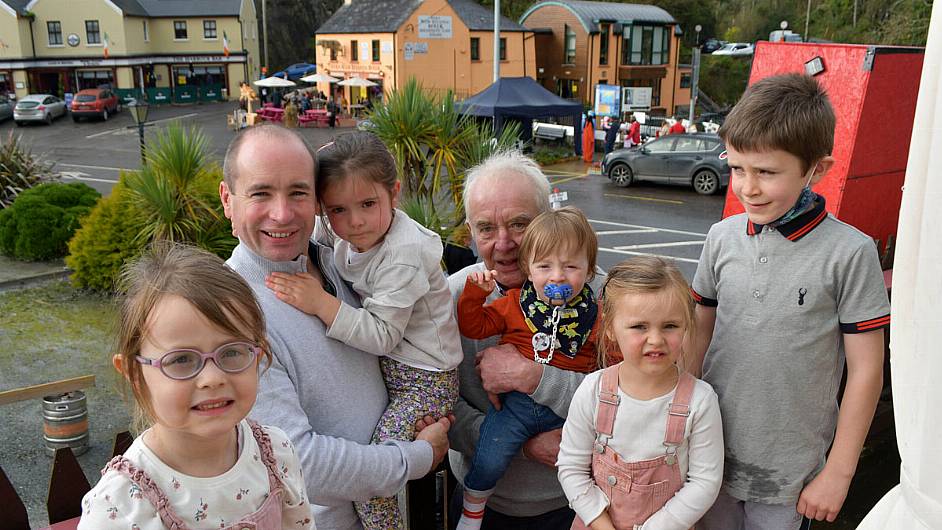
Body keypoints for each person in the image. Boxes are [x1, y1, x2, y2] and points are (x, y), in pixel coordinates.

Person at [220, 124, 453, 530]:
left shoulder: (334, 254)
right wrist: (418, 456)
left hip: (400, 499)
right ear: (228, 200)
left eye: (298, 192)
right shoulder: (232, 316)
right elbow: (298, 462)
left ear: (316, 202)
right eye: (260, 193)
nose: (282, 213)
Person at [690, 73, 890, 529]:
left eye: (766, 172)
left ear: (816, 170)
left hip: (790, 477)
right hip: (707, 458)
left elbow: (866, 371)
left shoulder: (850, 252)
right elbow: (698, 337)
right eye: (737, 167)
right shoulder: (721, 238)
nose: (747, 187)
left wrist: (838, 473)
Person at [77, 242, 313, 530]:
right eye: (181, 360)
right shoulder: (122, 506)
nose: (212, 378)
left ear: (257, 357)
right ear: (135, 374)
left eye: (231, 352)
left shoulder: (276, 454)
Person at [448, 151, 607, 530]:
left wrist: (534, 378)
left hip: (575, 504)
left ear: (547, 220)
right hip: (482, 506)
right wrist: (519, 444)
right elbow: (437, 404)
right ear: (470, 232)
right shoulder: (453, 295)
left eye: (520, 224)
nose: (504, 244)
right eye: (486, 228)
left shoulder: (601, 294)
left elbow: (633, 395)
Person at [557, 256, 724, 530]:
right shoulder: (593, 391)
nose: (656, 339)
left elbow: (705, 482)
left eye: (670, 326)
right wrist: (601, 523)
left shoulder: (700, 400)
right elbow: (571, 467)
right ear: (610, 327)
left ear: (686, 325)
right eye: (639, 327)